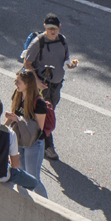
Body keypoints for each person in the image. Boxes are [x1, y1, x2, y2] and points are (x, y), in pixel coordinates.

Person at [22, 13, 78, 161]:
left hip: (56, 85)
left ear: (60, 27)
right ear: (44, 27)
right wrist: (36, 81)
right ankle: (48, 147)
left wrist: (70, 64)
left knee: (44, 114)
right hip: (43, 85)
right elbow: (27, 63)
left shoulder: (62, 40)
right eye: (49, 28)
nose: (52, 31)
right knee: (46, 114)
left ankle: (30, 136)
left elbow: (65, 58)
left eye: (55, 28)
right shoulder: (38, 42)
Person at [6, 69, 50, 197]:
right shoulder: (17, 95)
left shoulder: (39, 103)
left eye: (18, 81)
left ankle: (45, 204)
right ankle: (23, 201)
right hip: (19, 140)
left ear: (27, 84)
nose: (15, 83)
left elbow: (38, 129)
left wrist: (18, 120)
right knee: (21, 175)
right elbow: (13, 114)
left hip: (33, 143)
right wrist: (1, 129)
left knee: (33, 178)